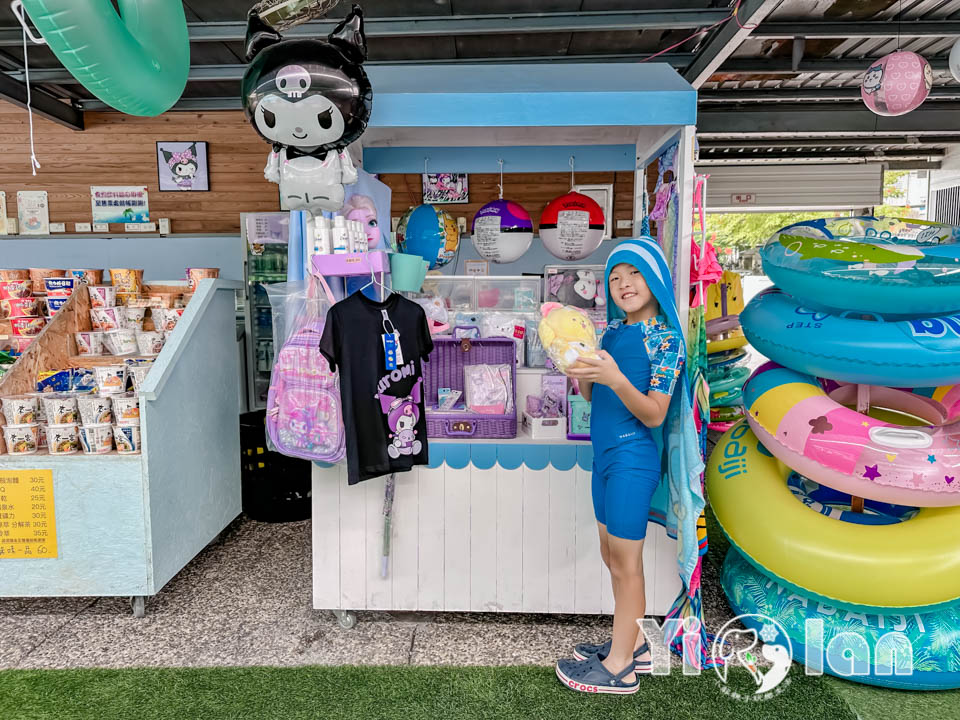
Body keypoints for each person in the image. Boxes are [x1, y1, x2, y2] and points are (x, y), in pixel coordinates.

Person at [554, 238, 692, 695]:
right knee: (611, 558)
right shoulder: (609, 333)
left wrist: (613, 376)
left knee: (627, 565)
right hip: (604, 459)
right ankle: (629, 644)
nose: (623, 284)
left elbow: (654, 413)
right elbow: (594, 397)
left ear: (653, 279)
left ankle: (620, 668)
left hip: (634, 460)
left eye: (633, 273)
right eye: (614, 277)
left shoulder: (667, 340)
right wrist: (579, 373)